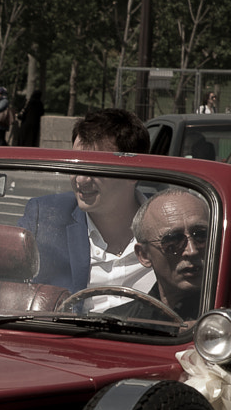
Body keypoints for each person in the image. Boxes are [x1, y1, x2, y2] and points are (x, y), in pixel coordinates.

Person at [18, 108, 148, 295]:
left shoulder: (169, 228)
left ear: (133, 174)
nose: (81, 179)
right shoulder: (44, 217)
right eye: (75, 164)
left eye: (96, 168)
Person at [133, 188, 212, 323]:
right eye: (173, 241)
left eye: (201, 235)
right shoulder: (122, 325)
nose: (192, 251)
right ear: (144, 255)